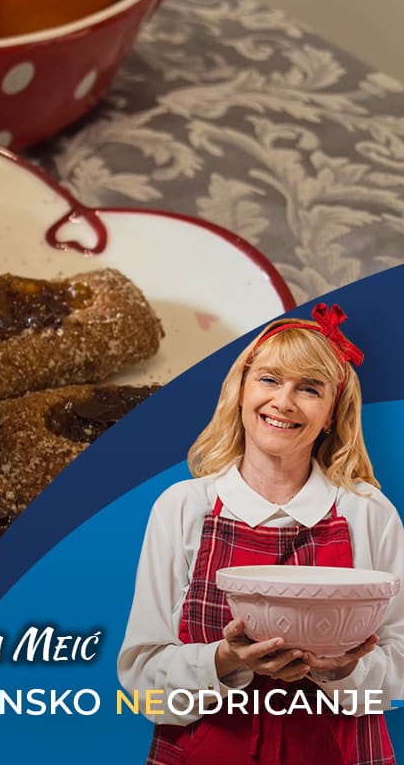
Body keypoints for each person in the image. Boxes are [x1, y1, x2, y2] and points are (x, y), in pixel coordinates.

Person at [118, 303, 404, 764]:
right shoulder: (183, 507)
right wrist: (226, 661)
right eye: (269, 379)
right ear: (240, 390)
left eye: (309, 388)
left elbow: (400, 666)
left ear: (331, 413)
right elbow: (143, 678)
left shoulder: (367, 514)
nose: (284, 401)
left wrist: (346, 670)